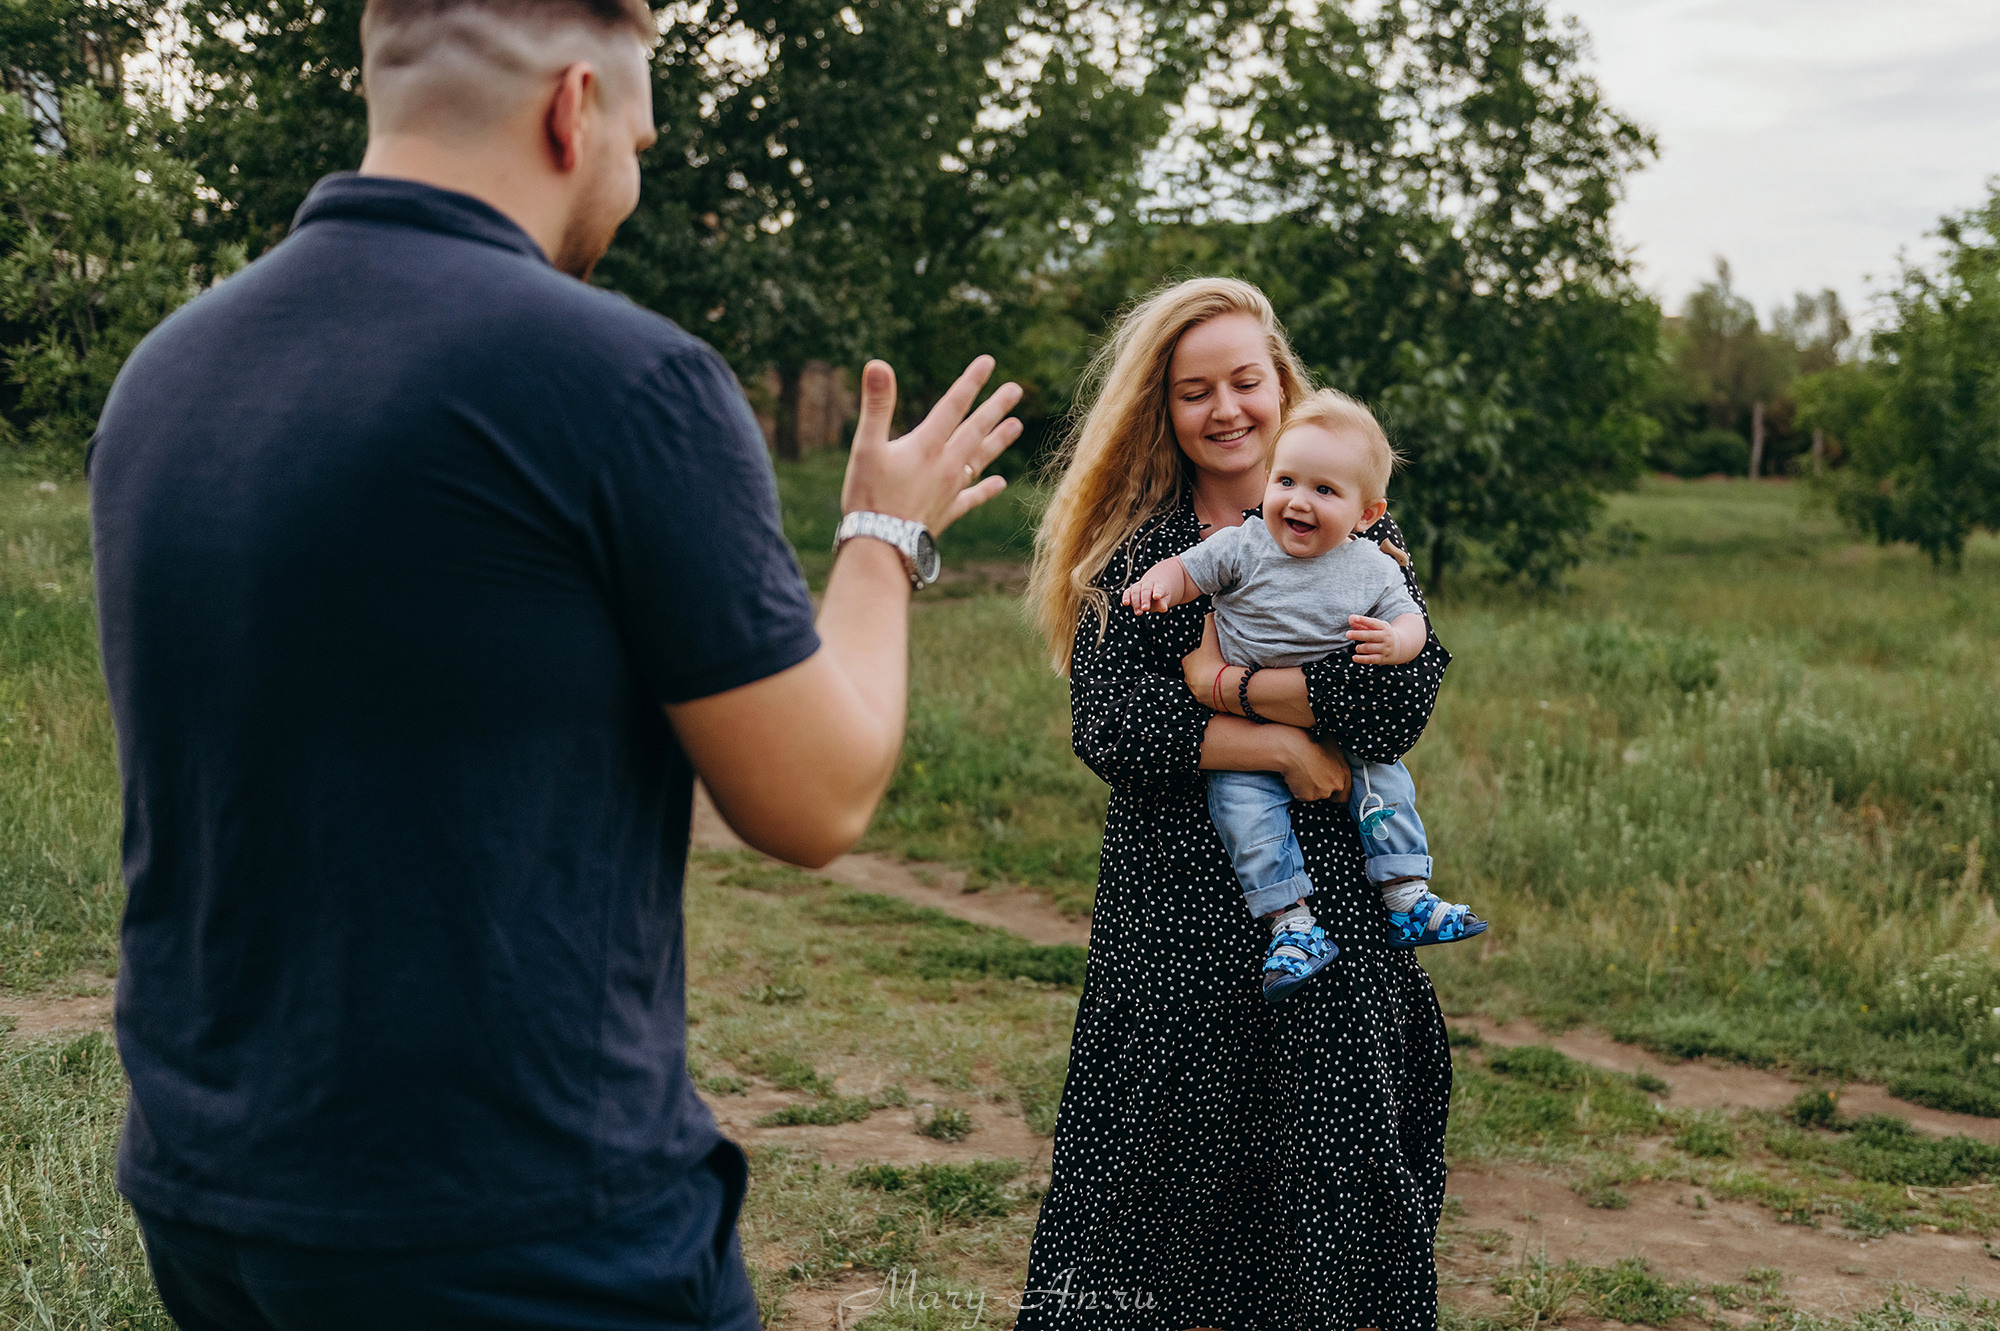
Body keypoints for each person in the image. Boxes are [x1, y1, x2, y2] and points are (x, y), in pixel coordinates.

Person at [87, 0, 1020, 1322]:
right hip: (515, 1225)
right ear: (573, 108)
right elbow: (816, 798)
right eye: (639, 138)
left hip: (213, 1195)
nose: (630, 179)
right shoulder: (621, 380)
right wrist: (883, 537)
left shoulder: (165, 374)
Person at [1019, 278, 1452, 1331]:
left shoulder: (1357, 539)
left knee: (1323, 1191)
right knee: (1156, 1209)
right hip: (1172, 922)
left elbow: (1400, 693)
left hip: (1334, 914)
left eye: (1245, 382)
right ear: (1160, 411)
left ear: (1279, 385)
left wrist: (1224, 688)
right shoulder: (1139, 556)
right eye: (1192, 390)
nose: (1225, 410)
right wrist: (1277, 744)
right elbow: (1111, 725)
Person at [1119, 388, 1487, 1001]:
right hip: (1254, 739)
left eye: (1324, 491)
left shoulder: (1374, 565)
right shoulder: (1243, 544)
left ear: (1367, 513)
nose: (1298, 500)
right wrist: (1160, 581)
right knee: (1245, 815)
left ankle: (1405, 895)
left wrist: (1396, 642)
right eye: (1286, 480)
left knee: (1387, 786)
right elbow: (1189, 570)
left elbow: (1413, 626)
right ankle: (1291, 925)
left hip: (1340, 733)